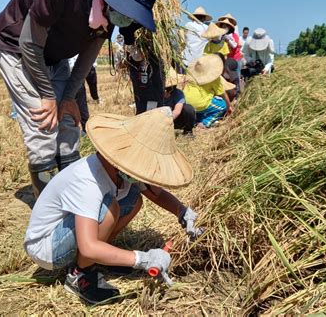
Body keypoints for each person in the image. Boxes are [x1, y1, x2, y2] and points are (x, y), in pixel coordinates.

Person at [0, 0, 158, 197]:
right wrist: (48, 95)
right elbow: (29, 43)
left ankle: (73, 196)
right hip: (16, 48)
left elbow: (87, 58)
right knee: (44, 126)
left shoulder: (109, 14)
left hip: (54, 55)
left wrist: (68, 98)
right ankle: (48, 212)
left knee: (68, 122)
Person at [24, 107, 202, 304]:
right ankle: (79, 274)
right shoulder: (88, 181)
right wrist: (142, 259)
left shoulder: (121, 168)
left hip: (70, 233)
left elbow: (155, 194)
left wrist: (182, 212)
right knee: (110, 208)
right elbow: (89, 246)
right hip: (48, 246)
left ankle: (104, 257)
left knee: (134, 198)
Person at [184, 54, 233, 128]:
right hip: (200, 104)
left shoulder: (189, 75)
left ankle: (196, 120)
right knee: (222, 105)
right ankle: (205, 123)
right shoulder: (214, 78)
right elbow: (223, 94)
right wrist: (229, 106)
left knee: (204, 102)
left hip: (186, 103)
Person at [164, 68, 196, 137]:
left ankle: (188, 131)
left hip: (174, 120)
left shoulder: (178, 93)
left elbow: (177, 111)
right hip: (158, 120)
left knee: (188, 109)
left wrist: (167, 121)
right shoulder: (155, 94)